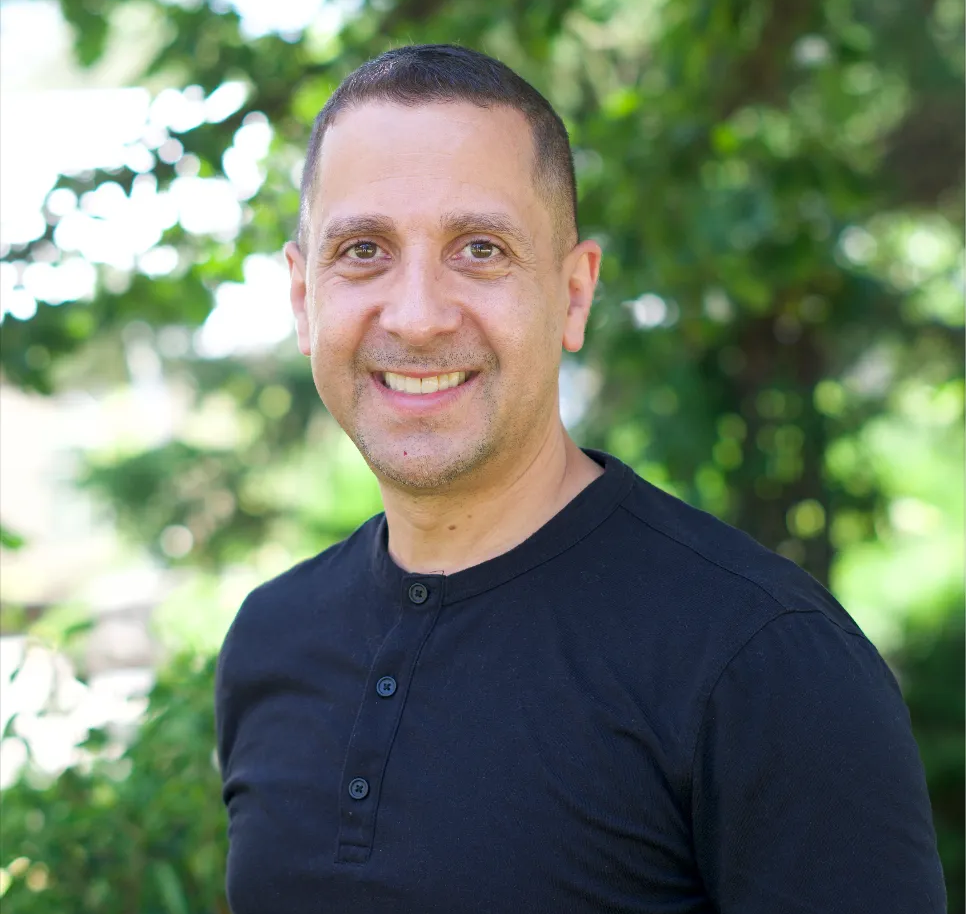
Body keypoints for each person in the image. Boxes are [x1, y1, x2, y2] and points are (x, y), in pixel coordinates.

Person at [214, 44, 945, 914]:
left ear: (573, 294)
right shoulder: (270, 640)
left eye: (479, 249)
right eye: (364, 249)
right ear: (303, 299)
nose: (415, 317)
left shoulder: (764, 662)